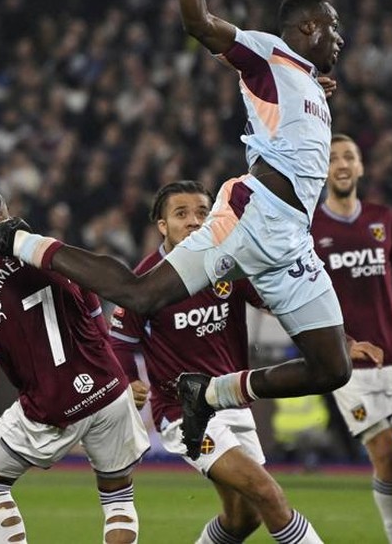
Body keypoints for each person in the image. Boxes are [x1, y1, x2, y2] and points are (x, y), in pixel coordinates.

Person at [0, 0, 349, 461]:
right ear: (308, 26)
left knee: (332, 368)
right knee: (140, 296)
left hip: (293, 237)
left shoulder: (307, 80)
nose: (340, 38)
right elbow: (199, 23)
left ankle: (207, 393)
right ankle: (16, 239)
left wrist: (314, 85)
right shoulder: (267, 53)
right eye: (334, 27)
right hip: (255, 216)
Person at [0, 187, 150, 544]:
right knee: (118, 497)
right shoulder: (48, 252)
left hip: (52, 406)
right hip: (108, 387)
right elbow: (94, 309)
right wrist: (113, 369)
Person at [110, 180, 328, 544]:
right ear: (162, 225)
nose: (194, 221)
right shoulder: (147, 280)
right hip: (185, 413)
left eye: (202, 212)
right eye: (181, 214)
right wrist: (129, 378)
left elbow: (276, 302)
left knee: (244, 517)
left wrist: (335, 338)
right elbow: (120, 340)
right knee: (268, 494)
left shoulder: (226, 265)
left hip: (233, 402)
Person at [310, 134, 392, 544]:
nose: (342, 164)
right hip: (350, 366)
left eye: (349, 156)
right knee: (384, 453)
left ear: (361, 167)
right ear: (323, 170)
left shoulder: (384, 219)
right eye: (333, 158)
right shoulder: (311, 230)